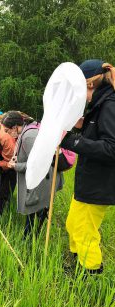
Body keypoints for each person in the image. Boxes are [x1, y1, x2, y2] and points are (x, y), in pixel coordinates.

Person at [61, 59, 115, 274]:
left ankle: (90, 274)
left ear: (89, 84)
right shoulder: (101, 103)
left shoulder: (110, 104)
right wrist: (82, 126)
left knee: (84, 231)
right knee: (73, 224)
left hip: (99, 183)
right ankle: (77, 260)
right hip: (89, 181)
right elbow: (98, 132)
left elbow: (111, 148)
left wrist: (70, 141)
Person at [2, 111, 63, 238]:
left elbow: (37, 164)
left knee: (34, 211)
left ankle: (28, 242)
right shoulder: (28, 131)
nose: (7, 134)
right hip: (42, 180)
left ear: (15, 127)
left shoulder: (28, 136)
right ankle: (30, 239)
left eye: (7, 130)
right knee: (35, 212)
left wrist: (15, 166)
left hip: (42, 181)